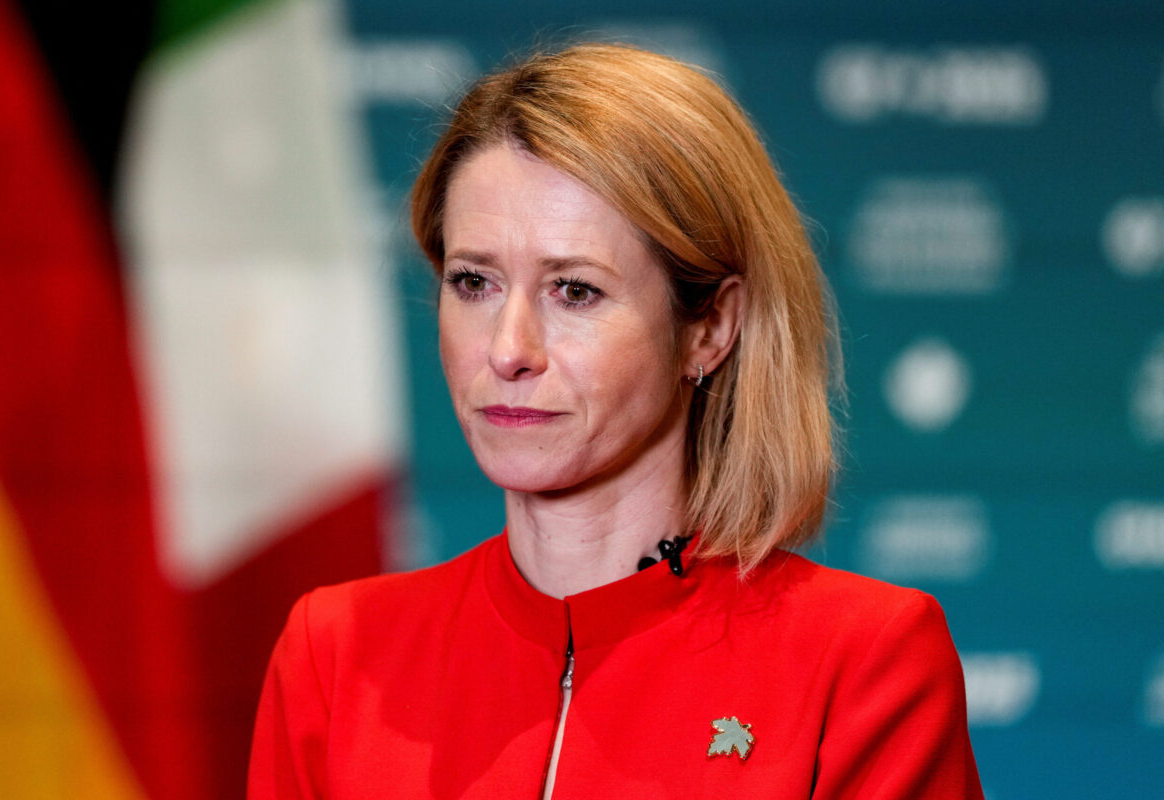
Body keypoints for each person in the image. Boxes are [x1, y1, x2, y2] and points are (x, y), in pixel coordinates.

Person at [249, 43, 983, 799]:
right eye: (473, 282)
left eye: (574, 290)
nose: (508, 350)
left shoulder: (864, 660)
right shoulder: (337, 655)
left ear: (709, 328)